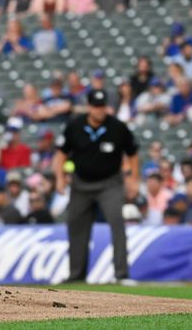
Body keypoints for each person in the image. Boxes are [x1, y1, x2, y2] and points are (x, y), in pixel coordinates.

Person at [55, 89, 139, 283]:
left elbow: (133, 153)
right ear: (89, 106)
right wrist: (59, 178)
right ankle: (76, 276)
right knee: (76, 226)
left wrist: (133, 179)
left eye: (102, 106)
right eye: (95, 106)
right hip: (81, 184)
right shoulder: (75, 126)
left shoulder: (117, 127)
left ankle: (121, 275)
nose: (99, 110)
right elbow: (61, 153)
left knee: (117, 223)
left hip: (110, 183)